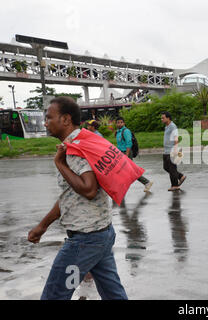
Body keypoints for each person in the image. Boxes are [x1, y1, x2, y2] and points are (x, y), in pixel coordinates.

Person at [28, 96, 127, 300]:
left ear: (65, 119)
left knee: (55, 295)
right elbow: (70, 194)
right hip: (102, 235)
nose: (46, 123)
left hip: (85, 240)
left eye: (49, 118)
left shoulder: (75, 148)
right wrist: (43, 226)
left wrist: (60, 164)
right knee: (113, 294)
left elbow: (89, 190)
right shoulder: (79, 142)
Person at [115, 117, 153, 192]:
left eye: (121, 122)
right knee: (123, 171)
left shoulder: (126, 131)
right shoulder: (118, 132)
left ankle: (146, 182)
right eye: (118, 122)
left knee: (130, 171)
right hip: (120, 154)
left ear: (124, 123)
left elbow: (129, 143)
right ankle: (121, 187)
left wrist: (127, 155)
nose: (119, 124)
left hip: (126, 153)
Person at [161, 111, 186, 191]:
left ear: (168, 118)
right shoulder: (166, 126)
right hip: (166, 151)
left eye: (163, 118)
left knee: (172, 168)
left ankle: (175, 185)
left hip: (171, 150)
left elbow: (176, 138)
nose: (162, 119)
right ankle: (180, 176)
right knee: (166, 167)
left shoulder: (173, 126)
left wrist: (175, 149)